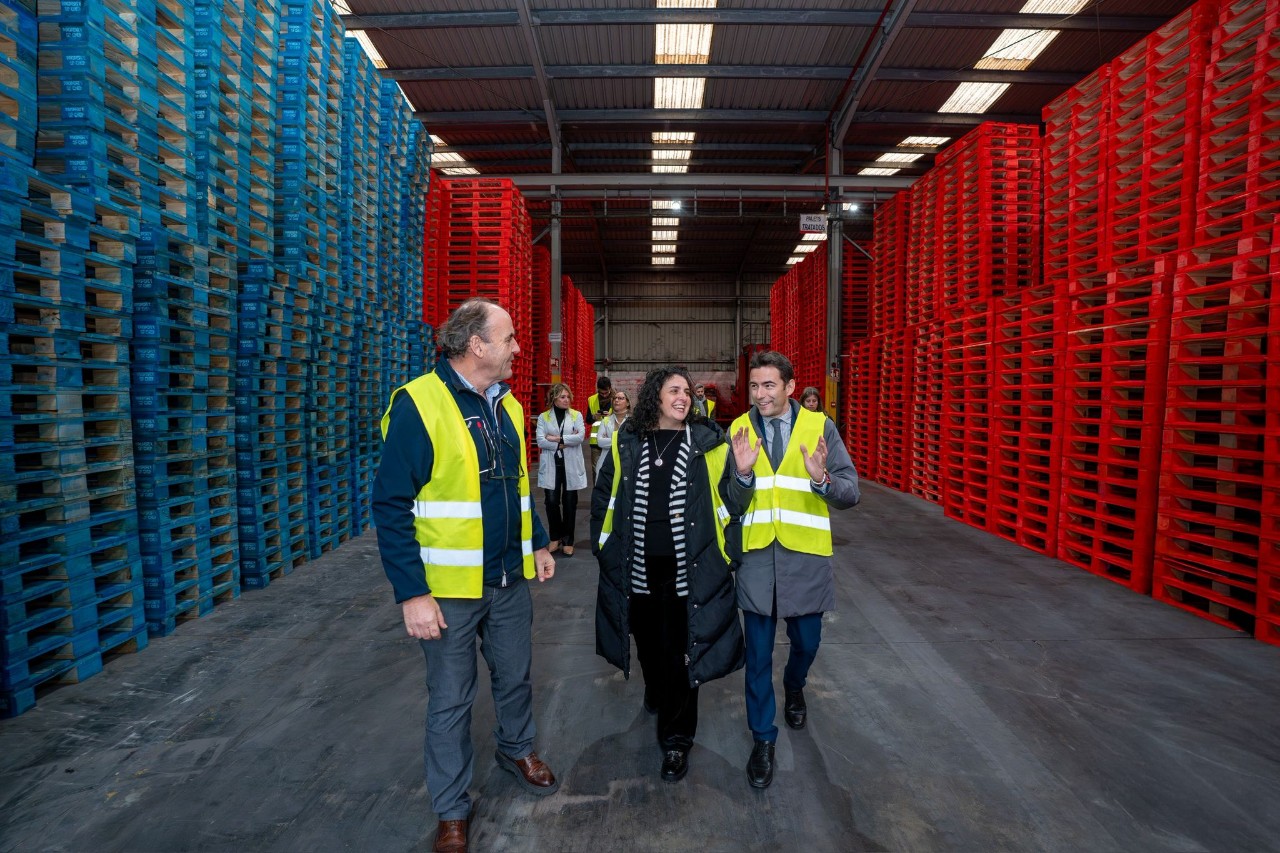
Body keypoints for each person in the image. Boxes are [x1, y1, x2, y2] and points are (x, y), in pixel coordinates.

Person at [373, 298, 559, 853]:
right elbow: (390, 504)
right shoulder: (419, 405)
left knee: (516, 677)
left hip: (507, 579)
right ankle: (452, 809)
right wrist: (412, 593)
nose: (517, 349)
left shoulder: (508, 407)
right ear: (476, 345)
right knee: (451, 701)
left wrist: (541, 542)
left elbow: (519, 485)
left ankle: (515, 747)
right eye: (509, 339)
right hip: (449, 592)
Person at [591, 366, 744, 784]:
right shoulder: (630, 441)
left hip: (688, 568)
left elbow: (731, 501)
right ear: (654, 396)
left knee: (681, 651)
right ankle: (655, 687)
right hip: (637, 564)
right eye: (674, 390)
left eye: (688, 391)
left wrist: (743, 479)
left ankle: (677, 740)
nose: (684, 397)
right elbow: (606, 494)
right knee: (647, 643)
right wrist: (603, 546)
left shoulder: (709, 443)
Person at [724, 350, 860, 790]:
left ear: (789, 386)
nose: (760, 394)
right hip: (759, 558)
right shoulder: (739, 429)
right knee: (757, 657)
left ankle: (796, 684)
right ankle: (763, 738)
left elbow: (850, 493)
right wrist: (742, 478)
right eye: (755, 386)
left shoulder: (821, 428)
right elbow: (731, 499)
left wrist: (822, 481)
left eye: (768, 385)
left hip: (804, 557)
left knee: (807, 640)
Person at [536, 383, 588, 556]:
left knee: (570, 502)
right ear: (554, 398)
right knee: (551, 502)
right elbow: (541, 441)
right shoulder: (544, 417)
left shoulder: (576, 415)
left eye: (568, 397)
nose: (567, 400)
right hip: (552, 465)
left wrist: (556, 438)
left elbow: (580, 437)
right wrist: (564, 443)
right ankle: (555, 537)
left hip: (570, 466)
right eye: (562, 397)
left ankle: (568, 540)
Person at [594, 389, 631, 476]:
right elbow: (600, 442)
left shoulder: (633, 421)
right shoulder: (606, 420)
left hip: (625, 463)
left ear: (628, 403)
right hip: (606, 462)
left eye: (621, 398)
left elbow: (633, 443)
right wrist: (623, 440)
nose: (616, 400)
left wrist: (610, 439)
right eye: (615, 398)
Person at [587, 376, 613, 473]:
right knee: (596, 470)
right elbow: (588, 420)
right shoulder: (592, 400)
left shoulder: (616, 399)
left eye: (606, 393)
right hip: (595, 442)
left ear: (610, 388)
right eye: (601, 393)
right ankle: (597, 488)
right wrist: (594, 417)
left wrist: (611, 415)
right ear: (598, 389)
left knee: (611, 469)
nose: (604, 395)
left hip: (611, 440)